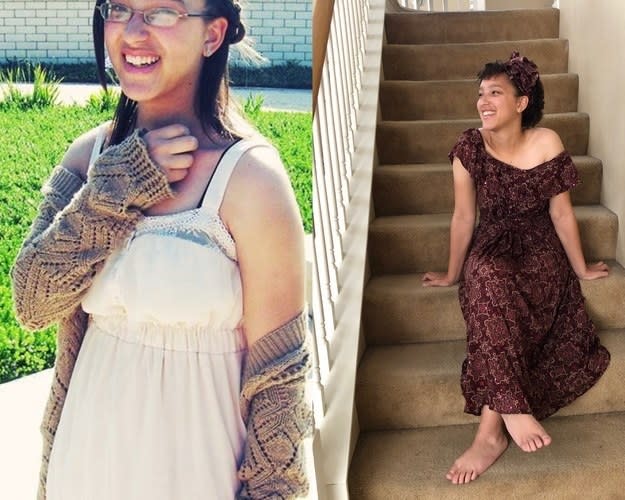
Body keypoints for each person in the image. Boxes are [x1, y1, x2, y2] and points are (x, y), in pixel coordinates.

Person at [10, 1, 311, 499]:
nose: (133, 33)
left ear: (213, 35)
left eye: (162, 12)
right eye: (121, 8)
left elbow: (279, 382)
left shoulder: (251, 179)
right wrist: (117, 187)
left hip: (196, 471)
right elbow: (32, 302)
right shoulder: (91, 160)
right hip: (84, 465)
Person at [422, 52, 610, 485]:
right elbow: (464, 218)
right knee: (487, 276)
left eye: (495, 93)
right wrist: (452, 273)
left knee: (506, 285)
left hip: (540, 247)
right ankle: (506, 414)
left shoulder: (547, 142)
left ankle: (491, 430)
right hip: (493, 243)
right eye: (480, 94)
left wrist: (580, 268)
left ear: (521, 102)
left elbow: (562, 216)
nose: (483, 102)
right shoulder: (469, 148)